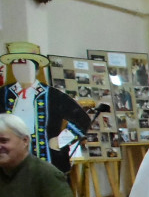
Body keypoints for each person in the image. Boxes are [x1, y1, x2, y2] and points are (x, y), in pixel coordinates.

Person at [1, 42, 91, 175]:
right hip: (12, 161)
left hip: (49, 160)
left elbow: (82, 119)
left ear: (36, 69)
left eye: (26, 65)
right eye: (16, 65)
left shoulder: (52, 95)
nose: (21, 70)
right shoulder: (3, 94)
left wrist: (60, 141)